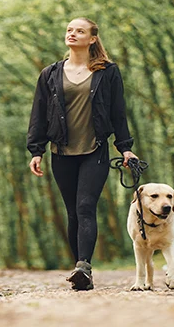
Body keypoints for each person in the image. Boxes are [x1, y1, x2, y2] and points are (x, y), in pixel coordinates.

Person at [27, 17, 137, 291]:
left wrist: (125, 147)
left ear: (92, 39)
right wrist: (36, 150)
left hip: (95, 149)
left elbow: (118, 113)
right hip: (61, 151)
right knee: (72, 213)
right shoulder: (50, 74)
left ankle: (84, 266)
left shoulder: (107, 72)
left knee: (85, 206)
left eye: (80, 31)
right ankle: (80, 269)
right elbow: (38, 115)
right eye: (69, 30)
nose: (72, 34)